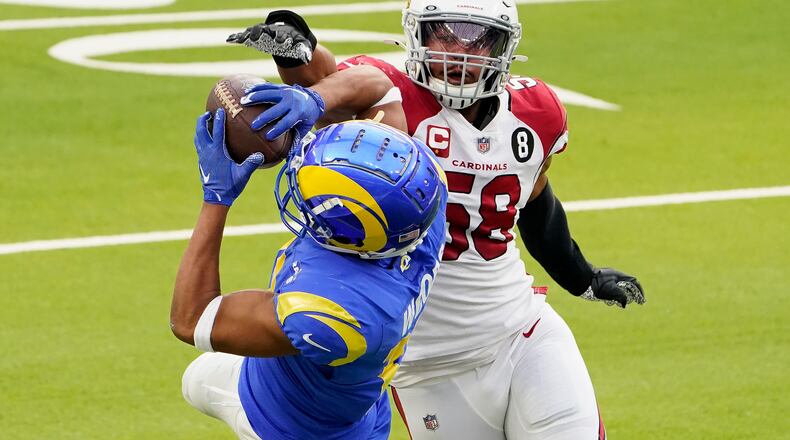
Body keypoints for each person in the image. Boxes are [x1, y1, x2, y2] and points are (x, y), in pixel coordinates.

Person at [228, 2, 646, 439]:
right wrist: (297, 55)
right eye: (446, 34)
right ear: (418, 35)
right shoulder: (391, 98)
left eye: (478, 37)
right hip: (427, 366)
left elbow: (536, 205)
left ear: (504, 45)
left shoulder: (536, 113)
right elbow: (336, 86)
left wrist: (583, 276)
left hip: (519, 330)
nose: (460, 52)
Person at [170, 110, 448, 439]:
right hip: (347, 400)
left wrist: (216, 198)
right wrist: (312, 100)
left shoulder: (333, 312)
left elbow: (192, 320)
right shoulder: (421, 199)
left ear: (348, 234)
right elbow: (377, 95)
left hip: (286, 424)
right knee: (194, 380)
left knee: (198, 377)